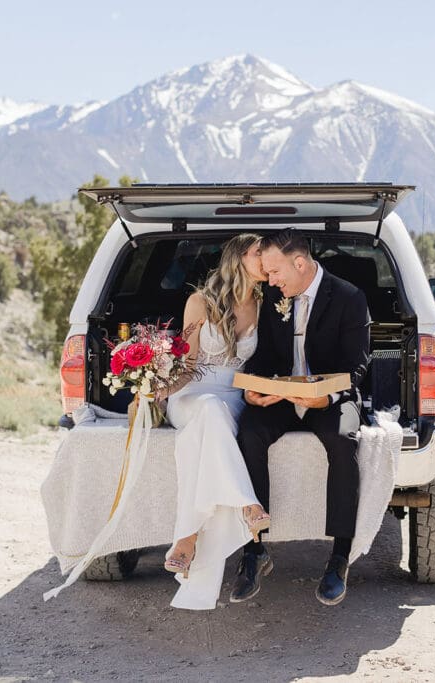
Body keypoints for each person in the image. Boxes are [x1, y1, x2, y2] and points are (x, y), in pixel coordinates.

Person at [233, 228, 371, 606]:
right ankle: (255, 548)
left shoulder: (349, 298)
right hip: (280, 398)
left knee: (344, 439)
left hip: (328, 400)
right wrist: (254, 386)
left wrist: (324, 398)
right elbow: (263, 355)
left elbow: (356, 368)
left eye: (275, 271)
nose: (270, 280)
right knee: (247, 431)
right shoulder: (274, 297)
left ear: (299, 263)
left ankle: (339, 556)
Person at [161, 233, 273, 610]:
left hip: (237, 399)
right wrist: (159, 387)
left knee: (211, 425)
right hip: (192, 396)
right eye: (260, 252)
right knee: (209, 409)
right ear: (239, 257)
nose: (267, 258)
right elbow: (187, 366)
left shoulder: (267, 303)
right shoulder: (199, 301)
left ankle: (188, 538)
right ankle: (245, 502)